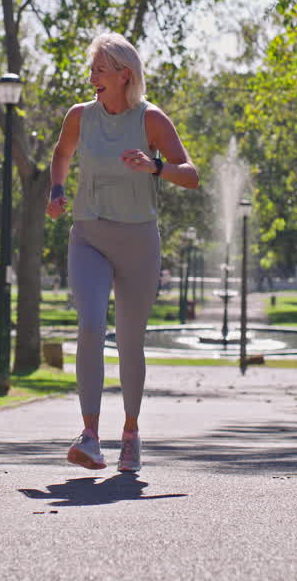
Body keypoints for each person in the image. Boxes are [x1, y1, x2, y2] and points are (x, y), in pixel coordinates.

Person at [46, 31, 200, 473]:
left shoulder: (151, 120)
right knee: (91, 325)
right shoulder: (79, 116)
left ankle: (130, 434)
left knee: (130, 341)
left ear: (123, 75)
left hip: (138, 241)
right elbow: (61, 155)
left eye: (99, 69)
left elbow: (192, 175)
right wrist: (56, 192)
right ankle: (90, 435)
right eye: (92, 68)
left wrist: (155, 167)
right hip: (89, 235)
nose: (92, 75)